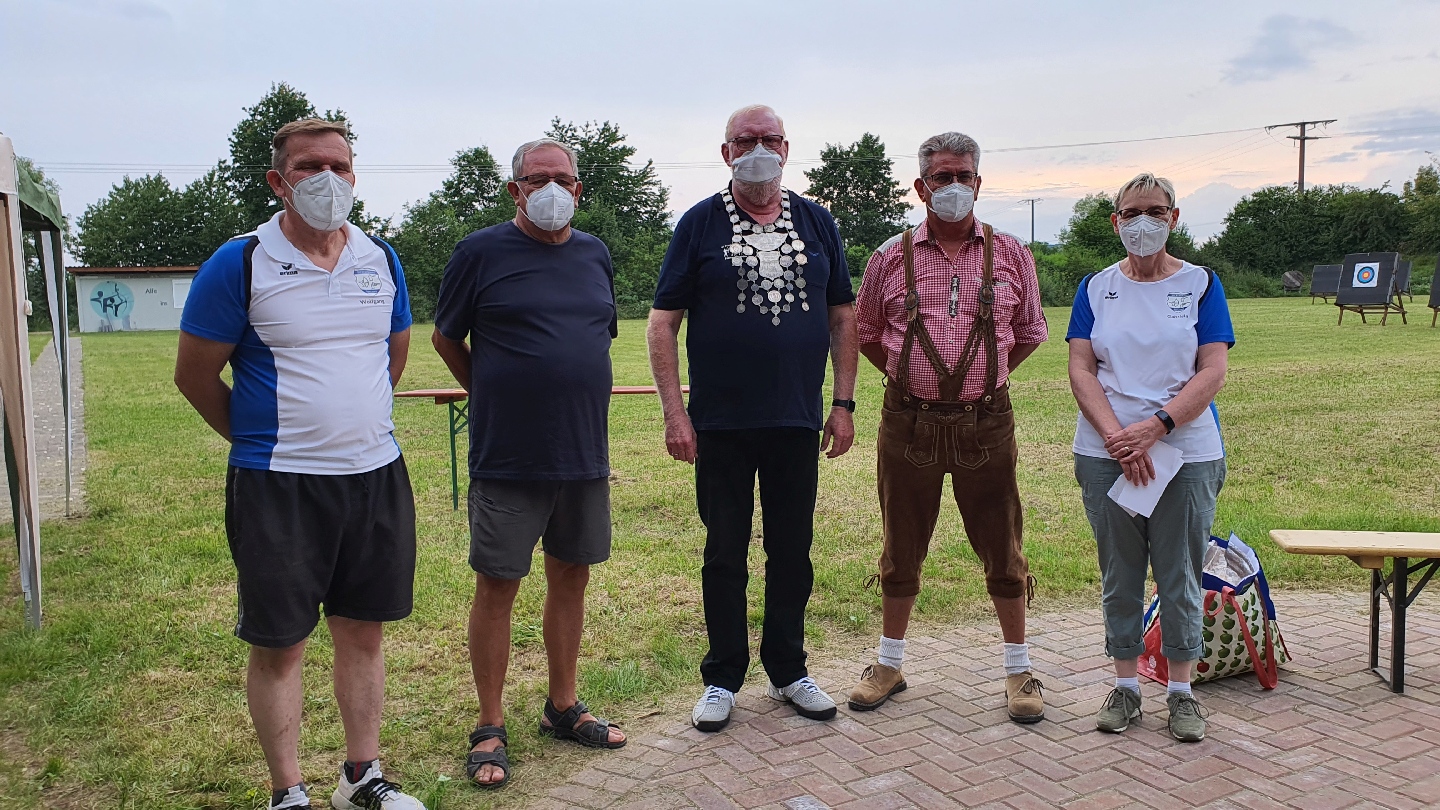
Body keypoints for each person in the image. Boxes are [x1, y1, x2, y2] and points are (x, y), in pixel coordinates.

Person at [175, 118, 425, 810]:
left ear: (355, 176)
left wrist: (351, 422)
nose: (327, 179)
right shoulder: (241, 262)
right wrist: (260, 441)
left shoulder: (381, 258)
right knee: (280, 643)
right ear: (277, 181)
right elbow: (194, 376)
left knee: (363, 632)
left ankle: (362, 777)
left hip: (374, 476)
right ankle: (287, 791)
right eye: (310, 167)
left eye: (339, 167)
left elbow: (392, 356)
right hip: (277, 484)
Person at [648, 104, 858, 732]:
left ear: (787, 149)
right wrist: (675, 415)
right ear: (726, 152)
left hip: (796, 419)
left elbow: (842, 316)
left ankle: (789, 669)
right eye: (745, 141)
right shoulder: (699, 224)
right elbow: (662, 324)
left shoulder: (817, 222)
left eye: (769, 139)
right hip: (720, 424)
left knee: (792, 550)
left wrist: (842, 404)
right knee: (724, 553)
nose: (758, 150)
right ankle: (721, 678)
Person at [432, 137, 625, 789]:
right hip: (508, 456)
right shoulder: (478, 252)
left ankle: (562, 705)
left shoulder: (595, 254)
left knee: (571, 577)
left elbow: (594, 337)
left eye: (562, 179)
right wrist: (491, 391)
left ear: (578, 189)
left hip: (582, 453)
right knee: (498, 585)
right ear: (515, 190)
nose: (551, 189)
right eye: (537, 179)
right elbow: (446, 336)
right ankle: (489, 725)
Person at [849, 132, 1049, 724]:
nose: (954, 186)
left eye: (963, 176)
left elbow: (1030, 333)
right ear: (921, 186)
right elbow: (865, 334)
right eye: (942, 177)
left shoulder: (1011, 254)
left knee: (1003, 545)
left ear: (979, 183)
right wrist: (912, 379)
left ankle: (1018, 669)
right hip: (907, 422)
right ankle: (889, 664)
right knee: (900, 543)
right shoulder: (889, 257)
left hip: (986, 422)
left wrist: (983, 380)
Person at [1066, 172, 1232, 742]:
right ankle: (1126, 687)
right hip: (1106, 450)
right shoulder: (1095, 287)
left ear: (1173, 218)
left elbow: (1212, 369)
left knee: (1179, 571)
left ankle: (1181, 693)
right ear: (1115, 221)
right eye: (1131, 212)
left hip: (1185, 451)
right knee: (1120, 573)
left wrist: (1156, 428)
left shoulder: (1202, 283)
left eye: (1155, 211)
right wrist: (1119, 437)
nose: (1143, 222)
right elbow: (1081, 368)